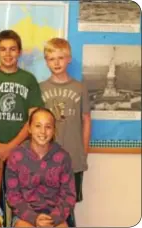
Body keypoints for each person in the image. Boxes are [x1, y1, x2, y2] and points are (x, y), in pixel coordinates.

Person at [0, 29, 44, 162]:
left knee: (18, 183)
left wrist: (10, 147)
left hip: (22, 149)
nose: (8, 54)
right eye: (3, 49)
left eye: (12, 49)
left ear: (19, 52)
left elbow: (33, 120)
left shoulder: (29, 80)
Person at [39, 38, 91, 204]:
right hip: (46, 158)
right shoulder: (40, 88)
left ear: (69, 59)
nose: (56, 63)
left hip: (73, 158)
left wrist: (84, 152)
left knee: (68, 207)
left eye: (60, 58)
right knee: (47, 204)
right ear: (46, 62)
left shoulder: (80, 88)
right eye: (51, 59)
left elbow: (86, 120)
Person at [6, 107, 76, 227]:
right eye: (38, 126)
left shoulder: (63, 157)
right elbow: (13, 196)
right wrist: (34, 218)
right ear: (29, 128)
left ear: (54, 130)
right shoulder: (16, 156)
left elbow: (68, 195)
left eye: (48, 127)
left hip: (55, 216)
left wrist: (52, 219)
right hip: (25, 216)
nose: (43, 132)